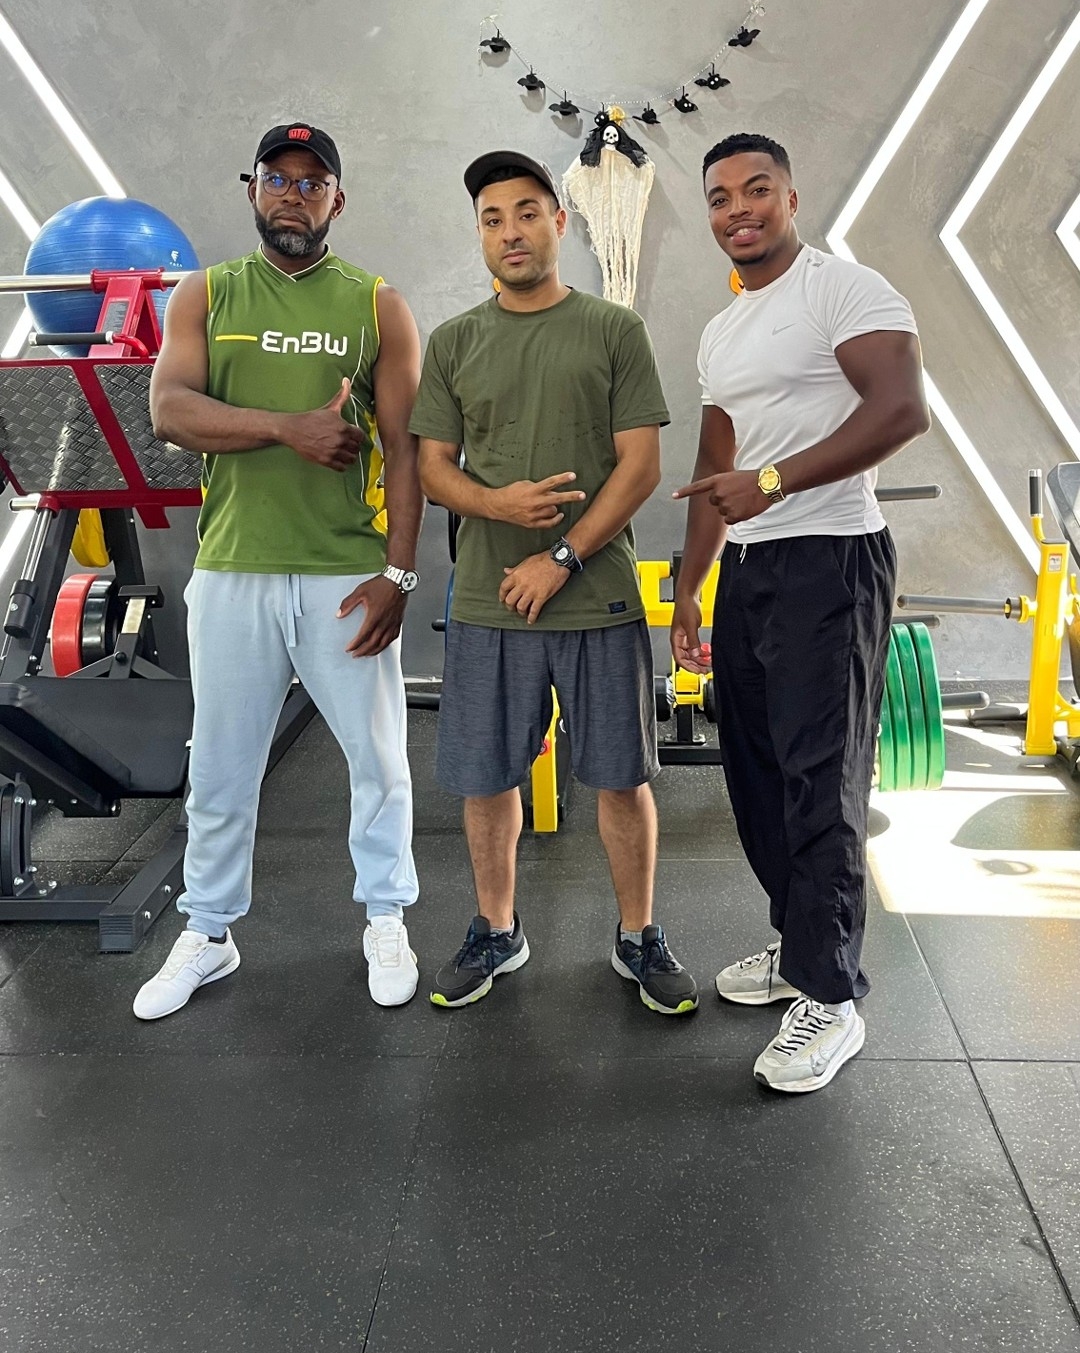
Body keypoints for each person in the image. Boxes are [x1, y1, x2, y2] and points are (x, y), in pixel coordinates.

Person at [134, 122, 424, 1021]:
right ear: (252, 188)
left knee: (378, 761)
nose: (293, 194)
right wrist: (284, 427)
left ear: (338, 198)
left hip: (344, 571)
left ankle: (386, 917)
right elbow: (169, 410)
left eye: (312, 181)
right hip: (233, 569)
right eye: (278, 178)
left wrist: (400, 576)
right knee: (222, 768)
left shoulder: (377, 304)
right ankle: (209, 931)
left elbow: (407, 452)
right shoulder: (206, 292)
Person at [411, 149, 698, 1016]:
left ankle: (638, 936)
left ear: (560, 223)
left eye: (528, 213)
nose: (512, 232)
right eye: (493, 219)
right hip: (487, 600)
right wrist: (494, 502)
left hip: (596, 596)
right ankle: (496, 929)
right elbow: (433, 468)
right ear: (480, 235)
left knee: (621, 778)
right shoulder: (454, 341)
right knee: (486, 779)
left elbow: (640, 467)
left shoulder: (613, 330)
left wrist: (562, 556)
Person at [672, 132, 929, 1093]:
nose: (738, 209)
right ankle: (800, 944)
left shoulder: (845, 290)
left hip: (833, 560)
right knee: (757, 773)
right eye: (720, 197)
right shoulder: (723, 330)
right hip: (750, 569)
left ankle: (832, 996)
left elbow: (900, 409)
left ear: (789, 196)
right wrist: (691, 585)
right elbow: (717, 466)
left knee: (823, 781)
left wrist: (775, 481)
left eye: (757, 189)